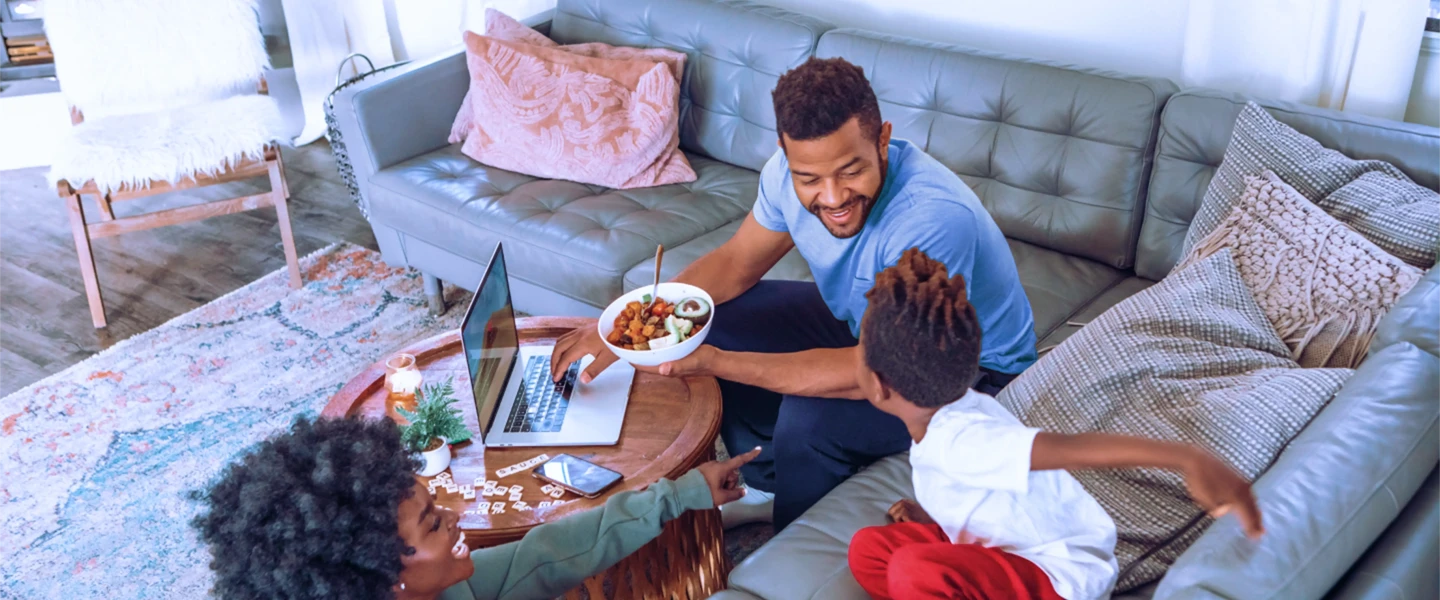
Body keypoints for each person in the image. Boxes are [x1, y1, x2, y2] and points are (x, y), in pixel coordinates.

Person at [550, 56, 1037, 530]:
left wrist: (716, 362)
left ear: (883, 140)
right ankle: (768, 485)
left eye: (851, 170)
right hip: (865, 325)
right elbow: (737, 264)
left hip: (965, 372)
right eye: (810, 178)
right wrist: (630, 324)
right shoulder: (783, 177)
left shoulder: (929, 220)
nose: (832, 196)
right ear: (787, 156)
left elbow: (874, 368)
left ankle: (791, 533)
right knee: (712, 314)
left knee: (810, 417)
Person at [846, 248, 1265, 600]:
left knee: (912, 571)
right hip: (1002, 549)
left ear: (880, 386)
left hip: (1056, 577)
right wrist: (938, 515)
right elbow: (983, 497)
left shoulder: (965, 441)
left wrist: (1186, 458)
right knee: (868, 551)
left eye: (858, 350)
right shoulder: (953, 408)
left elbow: (1073, 450)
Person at [192, 416, 760, 600]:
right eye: (433, 523)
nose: (457, 517)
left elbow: (546, 553)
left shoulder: (441, 585)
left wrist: (684, 492)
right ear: (385, 574)